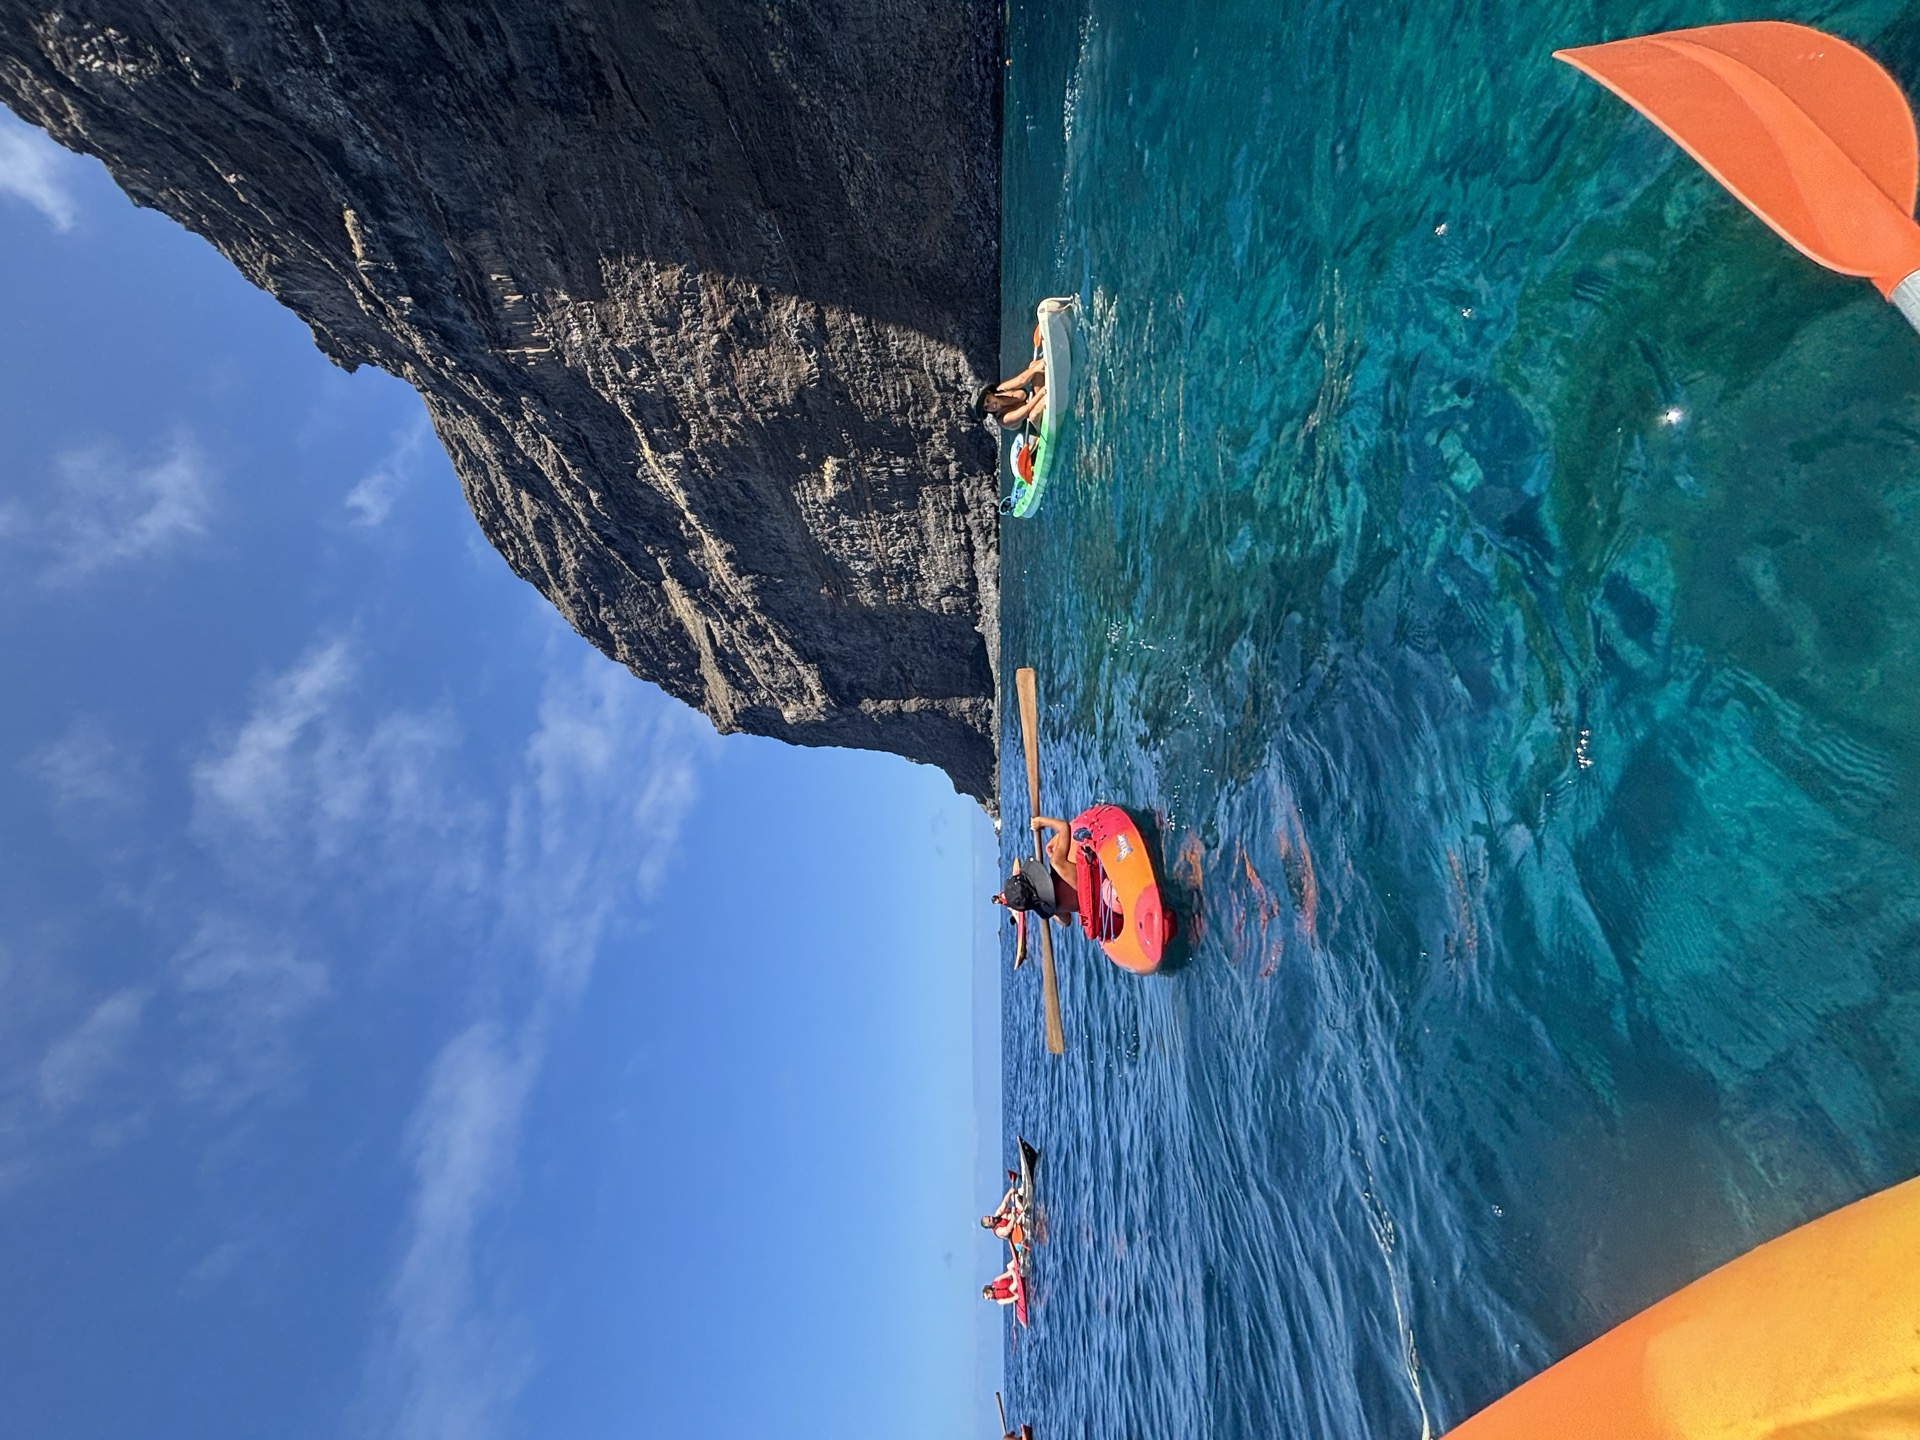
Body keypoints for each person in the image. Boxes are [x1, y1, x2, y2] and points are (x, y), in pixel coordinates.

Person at [991, 817, 1081, 924]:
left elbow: (1067, 921)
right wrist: (1041, 822)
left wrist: (1052, 910)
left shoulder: (1057, 907)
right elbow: (1064, 828)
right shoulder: (1057, 863)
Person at [974, 355, 1047, 430]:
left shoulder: (1001, 389)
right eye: (986, 407)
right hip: (1040, 422)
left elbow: (1021, 380)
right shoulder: (1004, 420)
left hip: (1040, 399)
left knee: (1033, 366)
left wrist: (1036, 369)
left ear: (990, 393)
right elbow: (1027, 409)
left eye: (988, 400)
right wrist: (1043, 391)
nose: (990, 405)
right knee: (1034, 415)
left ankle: (1056, 351)